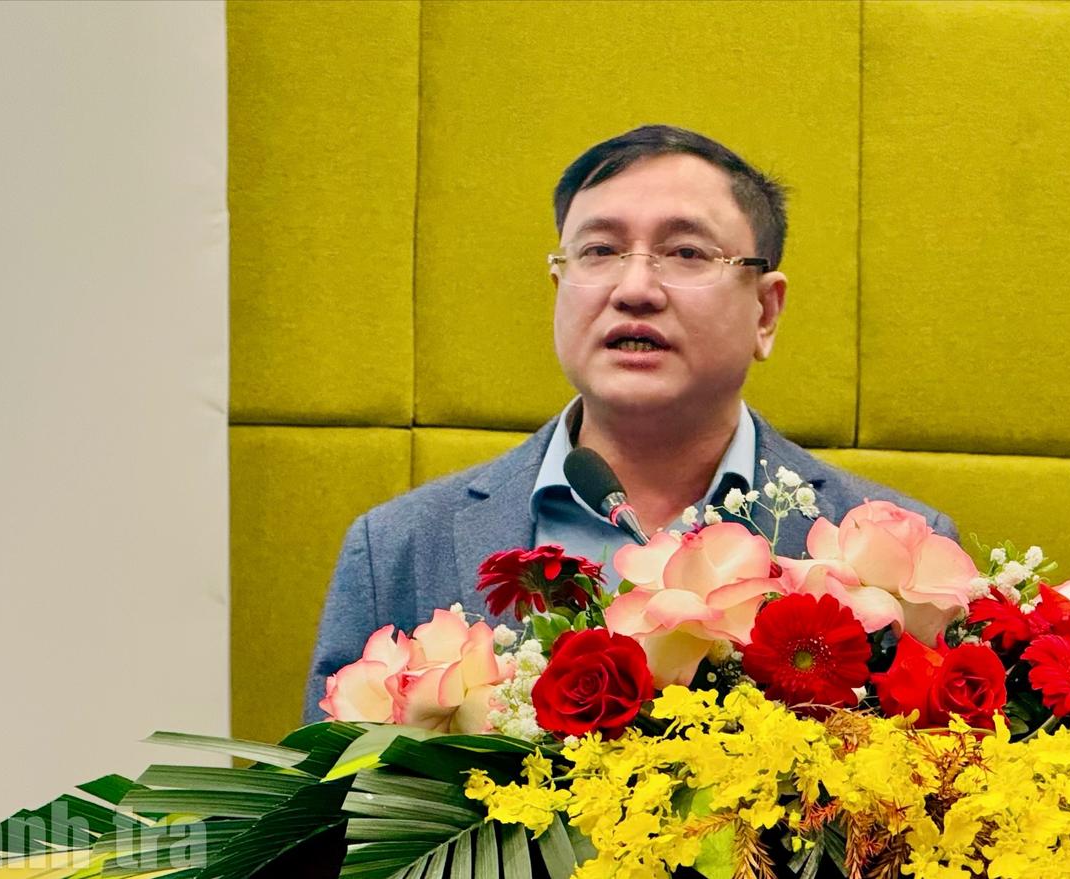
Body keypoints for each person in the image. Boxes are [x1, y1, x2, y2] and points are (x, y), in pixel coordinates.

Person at [303, 125, 957, 721]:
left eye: (686, 252)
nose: (635, 289)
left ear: (765, 311)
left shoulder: (904, 559)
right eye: (599, 250)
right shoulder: (395, 549)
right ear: (559, 288)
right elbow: (330, 807)